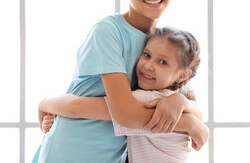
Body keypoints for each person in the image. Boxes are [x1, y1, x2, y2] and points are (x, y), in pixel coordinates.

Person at [32, 0, 208, 163]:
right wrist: (188, 122)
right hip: (71, 150)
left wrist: (181, 103)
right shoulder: (108, 30)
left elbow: (195, 107)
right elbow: (125, 114)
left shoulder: (165, 45)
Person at [40, 27, 206, 163]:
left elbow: (76, 107)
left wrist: (44, 104)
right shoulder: (172, 99)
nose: (148, 65)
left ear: (183, 75)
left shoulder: (150, 100)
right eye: (147, 55)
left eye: (162, 62)